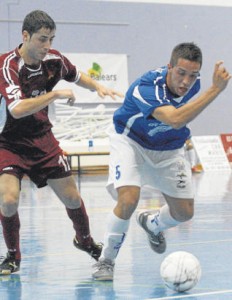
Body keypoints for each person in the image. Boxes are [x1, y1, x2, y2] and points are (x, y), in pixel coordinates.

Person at [92, 42, 231, 280]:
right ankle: (106, 260)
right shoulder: (146, 87)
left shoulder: (193, 85)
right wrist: (215, 89)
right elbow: (175, 119)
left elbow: (178, 121)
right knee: (128, 199)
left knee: (184, 212)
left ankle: (153, 224)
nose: (186, 82)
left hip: (168, 148)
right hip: (131, 143)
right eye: (181, 73)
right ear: (169, 67)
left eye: (193, 75)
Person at [0, 10, 122, 275]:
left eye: (51, 39)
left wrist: (97, 87)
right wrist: (54, 95)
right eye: (42, 39)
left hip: (43, 140)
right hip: (9, 144)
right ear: (25, 36)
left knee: (72, 198)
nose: (47, 46)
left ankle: (85, 241)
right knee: (8, 200)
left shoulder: (54, 61)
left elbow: (78, 75)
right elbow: (18, 109)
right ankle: (12, 256)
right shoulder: (8, 66)